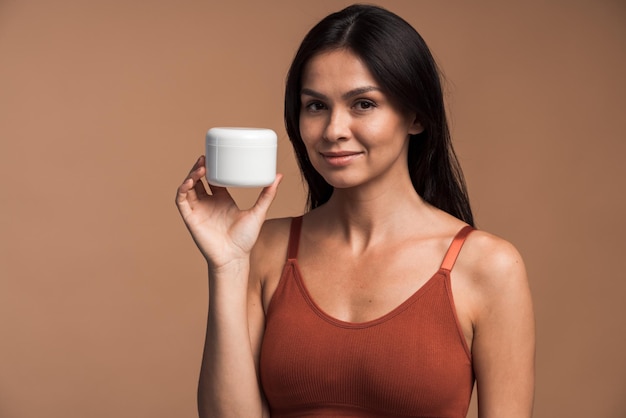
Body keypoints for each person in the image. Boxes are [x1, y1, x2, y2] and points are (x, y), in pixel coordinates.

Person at [176, 4, 535, 418]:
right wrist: (226, 265)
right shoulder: (263, 250)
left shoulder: (490, 267)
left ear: (416, 115)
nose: (333, 130)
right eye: (316, 106)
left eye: (363, 104)